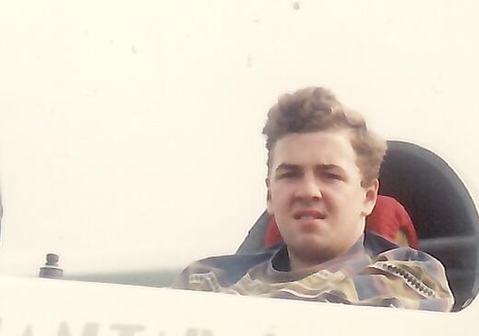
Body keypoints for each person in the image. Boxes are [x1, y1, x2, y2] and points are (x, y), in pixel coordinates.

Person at [177, 87, 454, 310]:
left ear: (368, 197)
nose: (308, 191)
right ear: (270, 195)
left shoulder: (412, 277)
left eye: (330, 175)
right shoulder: (207, 280)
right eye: (290, 175)